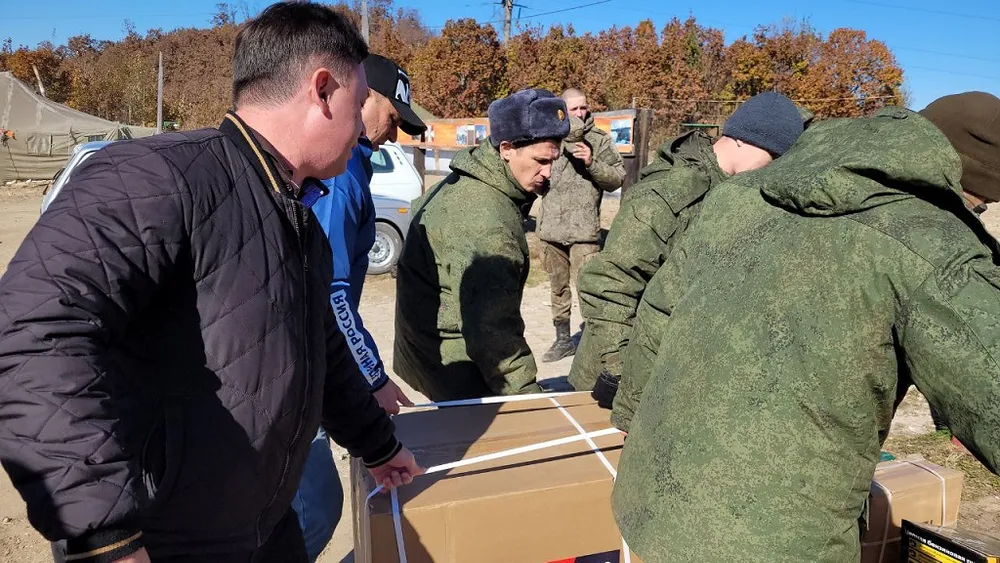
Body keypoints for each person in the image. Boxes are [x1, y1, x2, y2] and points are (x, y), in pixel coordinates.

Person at [0, 4, 422, 562]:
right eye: (359, 100)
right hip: (164, 542)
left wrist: (376, 444)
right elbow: (30, 336)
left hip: (265, 529)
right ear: (322, 91)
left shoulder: (297, 209)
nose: (364, 126)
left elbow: (322, 346)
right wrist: (104, 535)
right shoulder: (155, 177)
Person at [611, 92, 1000, 562]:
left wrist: (631, 417)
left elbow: (658, 313)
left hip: (652, 501)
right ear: (968, 187)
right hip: (771, 541)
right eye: (982, 204)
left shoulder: (740, 193)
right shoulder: (933, 250)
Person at [568, 92, 805, 399]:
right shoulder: (673, 190)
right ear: (743, 140)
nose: (772, 171)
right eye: (773, 159)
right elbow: (608, 283)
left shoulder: (732, 188)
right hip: (613, 375)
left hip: (667, 368)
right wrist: (623, 374)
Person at [292, 53, 425, 562]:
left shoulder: (353, 170)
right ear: (361, 98)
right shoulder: (340, 178)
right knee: (314, 509)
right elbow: (329, 291)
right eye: (392, 120)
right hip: (309, 366)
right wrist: (371, 376)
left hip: (317, 360)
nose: (394, 135)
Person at [393, 88, 570, 401]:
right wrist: (528, 399)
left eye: (555, 161)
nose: (549, 173)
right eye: (541, 161)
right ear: (506, 149)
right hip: (457, 368)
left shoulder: (473, 178)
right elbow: (493, 333)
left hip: (430, 353)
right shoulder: (488, 220)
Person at [536, 88, 626, 363]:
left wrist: (591, 162)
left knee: (588, 288)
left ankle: (593, 345)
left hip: (584, 232)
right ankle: (563, 340)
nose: (580, 113)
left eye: (583, 108)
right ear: (562, 110)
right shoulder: (549, 137)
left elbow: (617, 178)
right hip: (550, 229)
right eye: (573, 109)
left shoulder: (598, 140)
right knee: (557, 288)